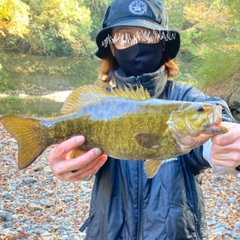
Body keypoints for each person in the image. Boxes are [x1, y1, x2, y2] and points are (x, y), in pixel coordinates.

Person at [48, 0, 240, 239]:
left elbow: (214, 126)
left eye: (148, 35)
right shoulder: (98, 106)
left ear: (162, 44)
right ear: (112, 48)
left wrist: (227, 147)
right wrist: (72, 166)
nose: (137, 44)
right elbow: (83, 161)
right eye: (125, 37)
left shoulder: (185, 99)